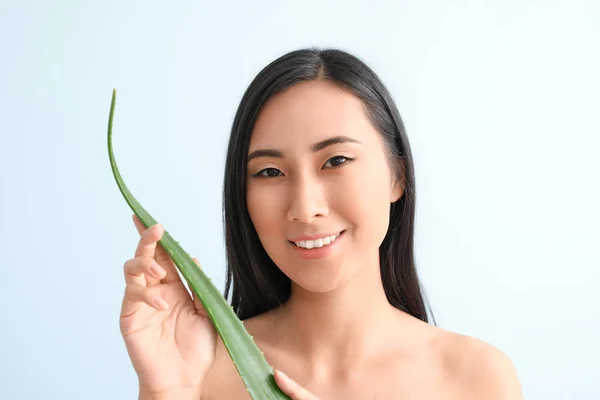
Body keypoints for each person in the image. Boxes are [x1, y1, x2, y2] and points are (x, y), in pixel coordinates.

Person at [119, 47, 524, 399]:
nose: (305, 208)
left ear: (397, 176)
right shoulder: (200, 372)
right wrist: (165, 393)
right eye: (270, 172)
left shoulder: (476, 380)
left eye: (336, 161)